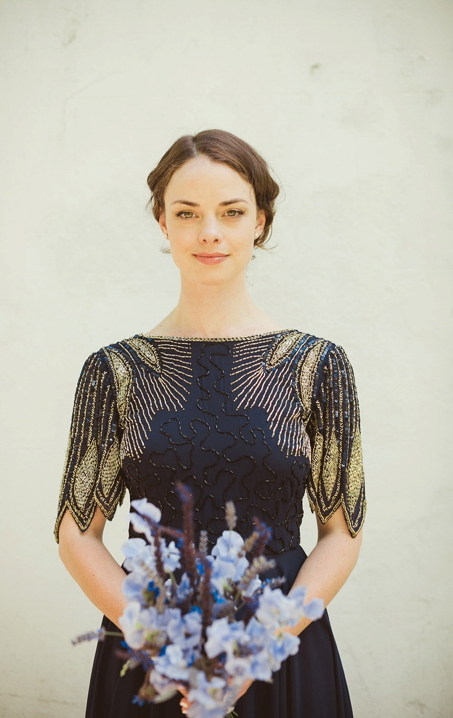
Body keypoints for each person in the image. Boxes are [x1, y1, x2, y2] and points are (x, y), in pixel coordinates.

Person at [54, 129, 365, 718]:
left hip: (283, 656)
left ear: (261, 222)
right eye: (187, 213)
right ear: (162, 223)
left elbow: (341, 536)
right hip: (152, 661)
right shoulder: (115, 373)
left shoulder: (317, 367)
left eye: (232, 211)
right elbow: (77, 535)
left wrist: (255, 651)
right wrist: (167, 645)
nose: (210, 232)